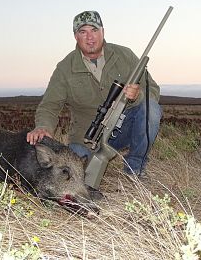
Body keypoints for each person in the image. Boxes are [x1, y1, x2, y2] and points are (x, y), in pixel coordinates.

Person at [27, 10, 162, 177]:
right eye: (83, 32)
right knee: (72, 175)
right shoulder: (64, 68)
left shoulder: (125, 55)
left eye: (94, 30)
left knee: (152, 109)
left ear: (103, 31)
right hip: (87, 139)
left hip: (121, 128)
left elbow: (153, 91)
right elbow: (50, 105)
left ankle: (135, 169)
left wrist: (138, 96)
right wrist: (43, 127)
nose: (90, 37)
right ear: (75, 36)